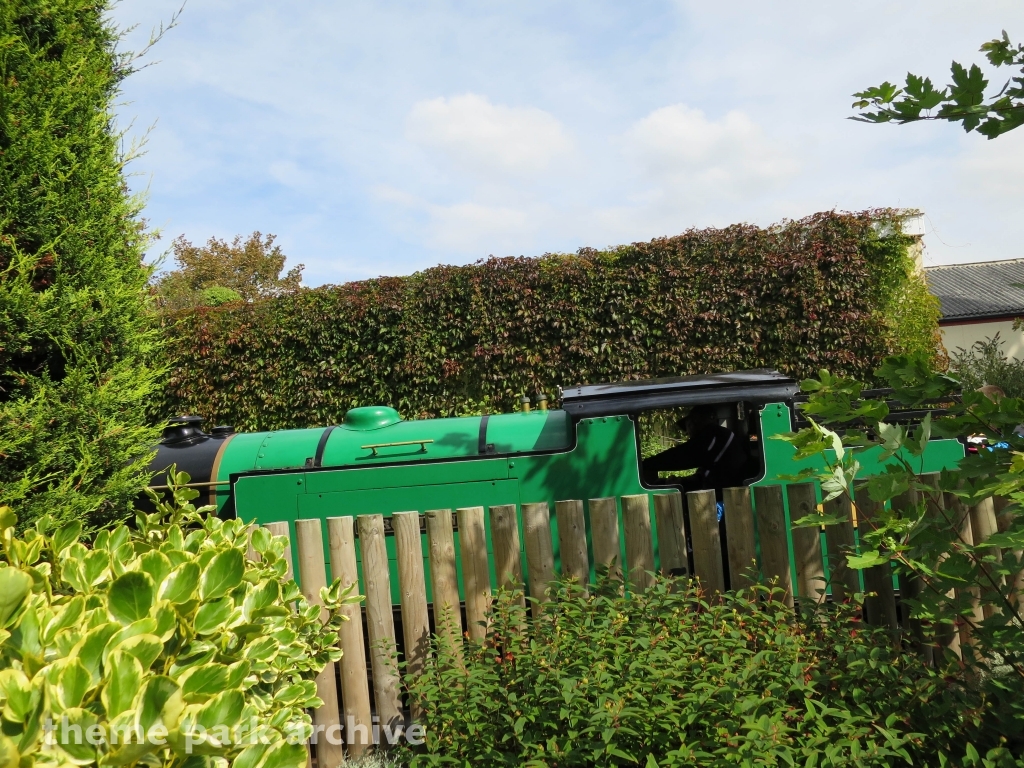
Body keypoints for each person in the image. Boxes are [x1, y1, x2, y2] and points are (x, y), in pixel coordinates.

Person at [642, 404, 750, 494]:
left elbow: (682, 456)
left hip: (726, 495)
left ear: (698, 420)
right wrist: (681, 481)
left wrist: (647, 464)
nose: (688, 432)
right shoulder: (714, 439)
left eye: (689, 425)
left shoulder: (714, 435)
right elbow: (702, 476)